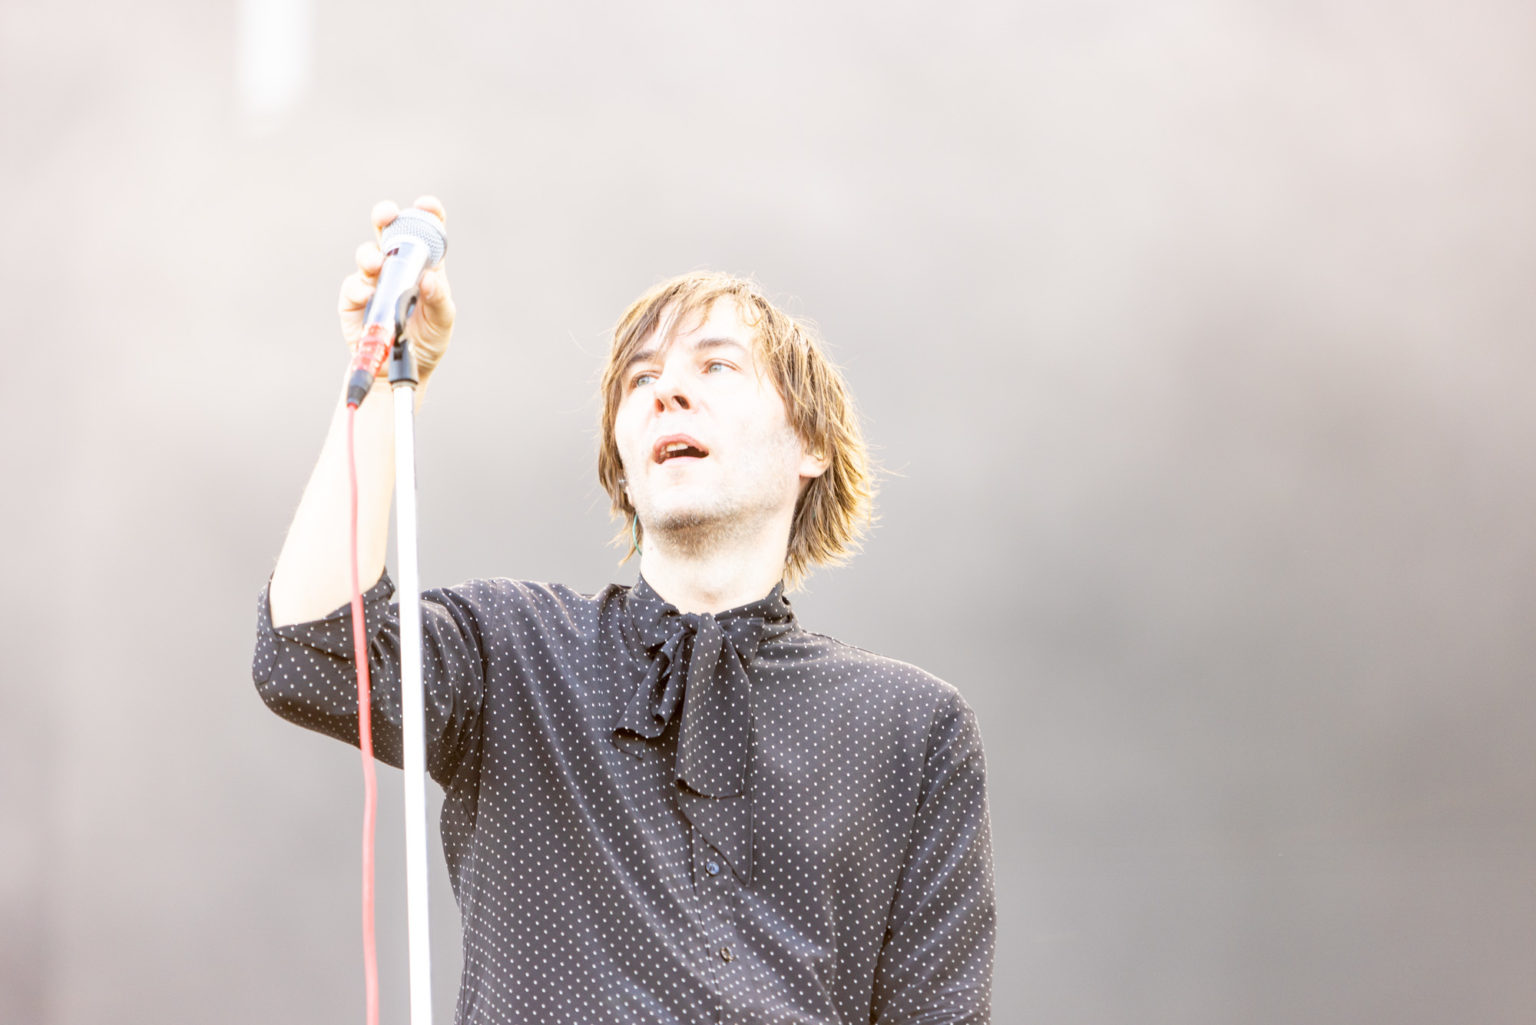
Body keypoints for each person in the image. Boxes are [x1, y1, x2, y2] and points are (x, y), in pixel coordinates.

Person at [254, 197, 995, 1024]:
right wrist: (394, 378)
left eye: (716, 366)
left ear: (812, 444)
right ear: (624, 468)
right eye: (641, 380)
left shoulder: (911, 729)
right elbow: (307, 649)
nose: (668, 390)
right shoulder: (516, 651)